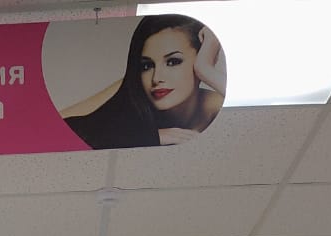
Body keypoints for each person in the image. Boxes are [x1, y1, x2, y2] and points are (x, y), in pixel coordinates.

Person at [63, 14, 225, 149]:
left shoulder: (218, 106)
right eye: (147, 66)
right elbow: (64, 129)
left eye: (173, 62)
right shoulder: (132, 95)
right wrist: (149, 136)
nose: (156, 78)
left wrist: (205, 69)